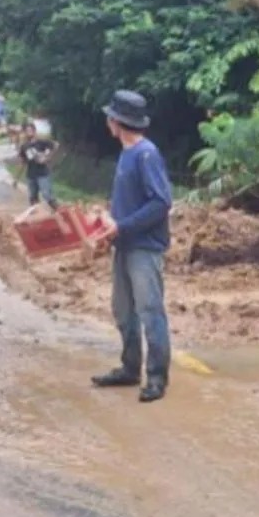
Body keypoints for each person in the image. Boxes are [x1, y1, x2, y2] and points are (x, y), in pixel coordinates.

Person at [90, 91, 174, 403]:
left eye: (110, 117)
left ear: (117, 121)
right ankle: (130, 367)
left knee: (150, 310)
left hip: (143, 247)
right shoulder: (127, 154)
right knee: (123, 310)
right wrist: (108, 219)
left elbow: (161, 203)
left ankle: (156, 378)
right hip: (124, 245)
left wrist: (121, 227)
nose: (107, 122)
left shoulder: (145, 155)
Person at [18, 121, 60, 211]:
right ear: (25, 132)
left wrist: (47, 158)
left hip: (42, 174)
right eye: (27, 131)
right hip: (31, 175)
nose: (29, 132)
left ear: (34, 131)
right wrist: (16, 179)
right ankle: (37, 217)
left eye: (30, 130)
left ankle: (60, 212)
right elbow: (23, 162)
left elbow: (56, 145)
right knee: (33, 198)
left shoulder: (41, 142)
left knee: (47, 195)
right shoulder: (24, 146)